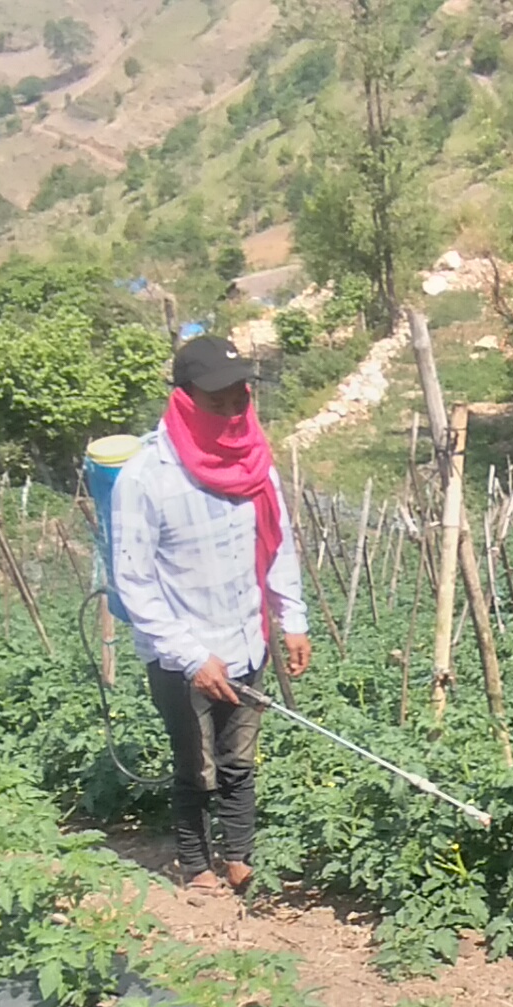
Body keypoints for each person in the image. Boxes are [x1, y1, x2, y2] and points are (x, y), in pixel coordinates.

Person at [109, 335, 310, 894]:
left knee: (239, 756)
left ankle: (239, 854)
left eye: (237, 400)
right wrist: (192, 656)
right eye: (215, 402)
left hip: (246, 636)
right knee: (196, 763)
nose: (229, 413)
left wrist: (291, 617)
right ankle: (196, 865)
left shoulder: (256, 465)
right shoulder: (146, 478)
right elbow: (134, 583)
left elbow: (277, 544)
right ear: (184, 400)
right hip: (181, 652)